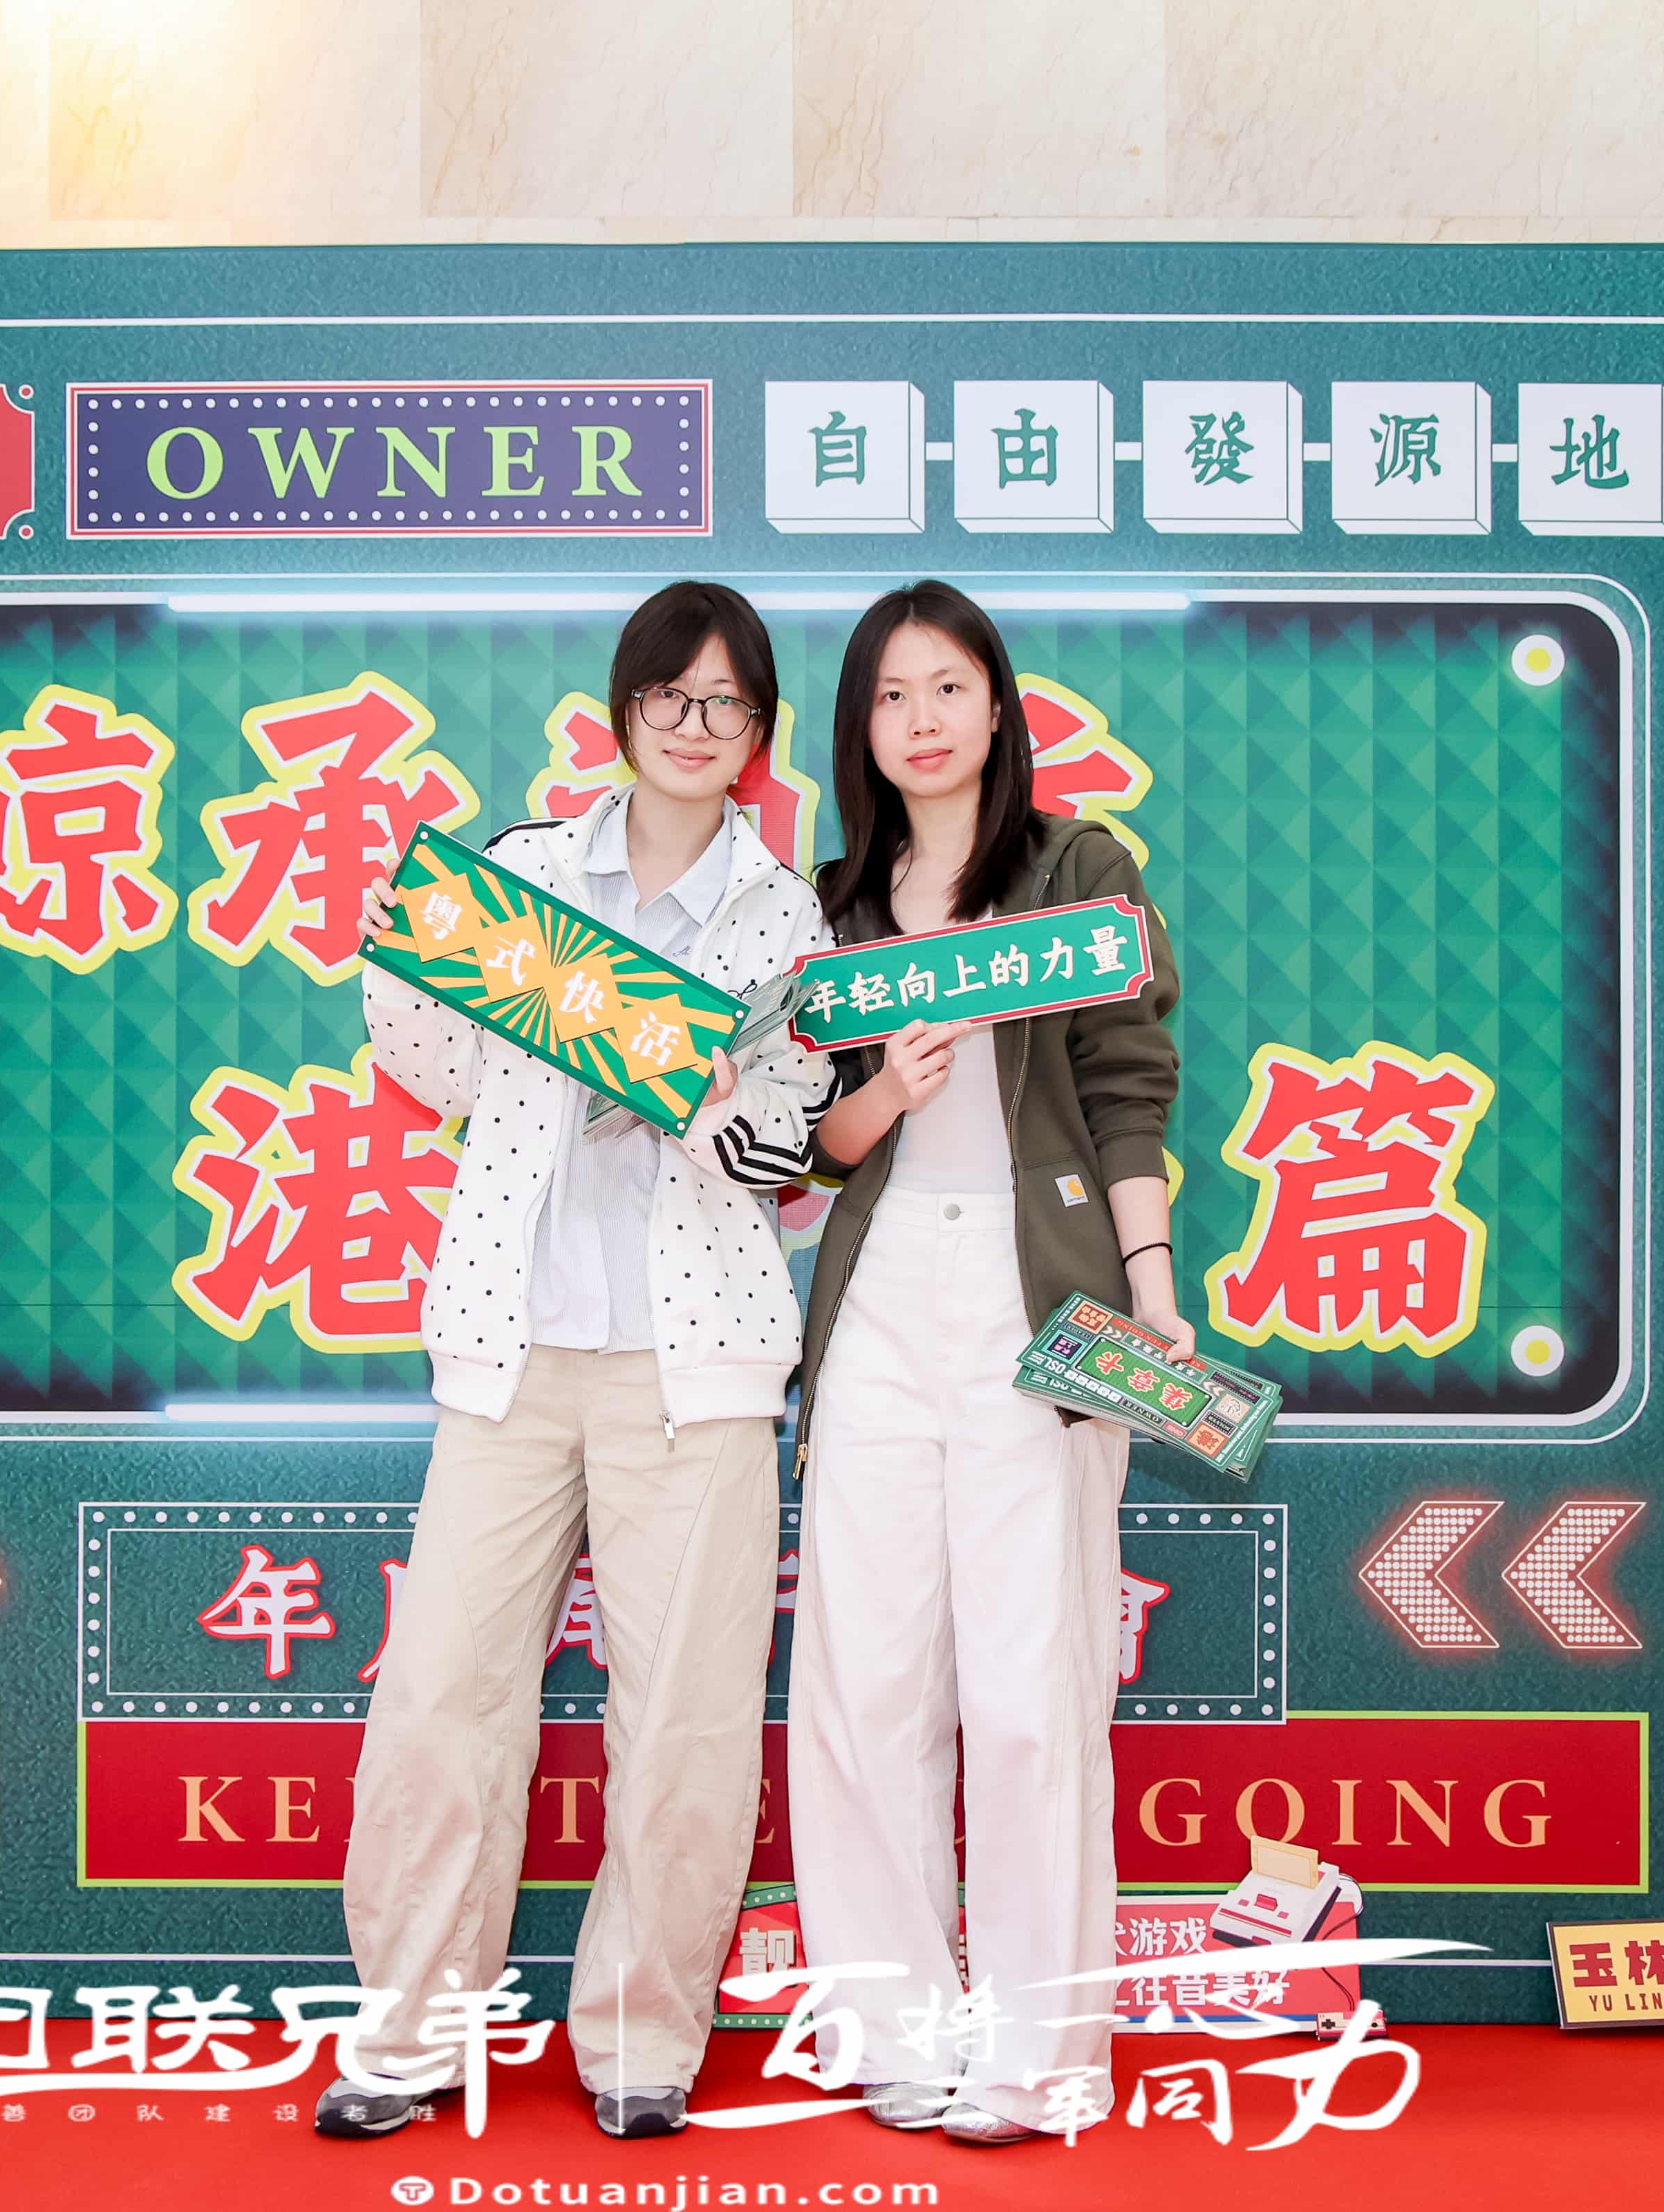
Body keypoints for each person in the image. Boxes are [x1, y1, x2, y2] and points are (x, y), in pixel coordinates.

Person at [319, 581, 839, 2144]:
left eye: (727, 705)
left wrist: (730, 1106)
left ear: (758, 738)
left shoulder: (783, 917)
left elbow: (798, 1136)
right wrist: (404, 957)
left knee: (682, 1718)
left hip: (698, 1367)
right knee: (440, 1698)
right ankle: (408, 2036)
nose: (695, 726)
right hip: (513, 1348)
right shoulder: (522, 875)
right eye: (669, 697)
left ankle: (639, 2039)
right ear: (623, 712)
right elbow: (436, 1073)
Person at [783, 580, 1186, 2146]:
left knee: (1028, 1690)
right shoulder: (828, 910)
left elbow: (1127, 1088)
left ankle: (1035, 2054)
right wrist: (884, 1088)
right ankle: (892, 2031)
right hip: (880, 1294)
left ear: (998, 706)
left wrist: (1151, 1287)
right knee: (865, 1682)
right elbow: (808, 1144)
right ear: (860, 730)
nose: (923, 720)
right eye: (891, 696)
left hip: (1041, 1301)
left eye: (948, 686)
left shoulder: (1075, 873)